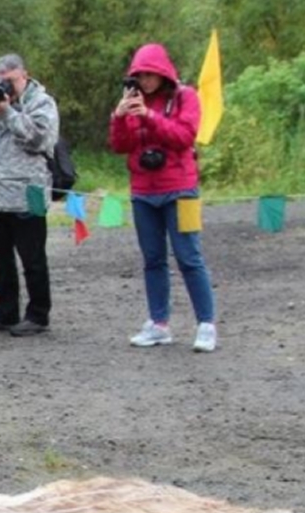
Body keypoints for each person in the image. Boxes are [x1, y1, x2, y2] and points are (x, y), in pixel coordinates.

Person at [111, 43, 218, 352]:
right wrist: (120, 117)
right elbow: (120, 145)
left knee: (189, 256)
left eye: (149, 75)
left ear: (162, 73)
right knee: (153, 259)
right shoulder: (133, 102)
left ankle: (206, 324)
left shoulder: (187, 97)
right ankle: (159, 324)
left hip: (182, 190)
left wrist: (149, 116)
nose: (144, 81)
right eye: (139, 76)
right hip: (144, 193)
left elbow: (184, 136)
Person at [0, 54, 58, 337]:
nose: (5, 87)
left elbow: (39, 140)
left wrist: (8, 111)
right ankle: (5, 312)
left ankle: (38, 315)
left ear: (25, 75)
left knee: (32, 258)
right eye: (0, 81)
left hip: (29, 192)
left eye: (10, 80)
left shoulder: (41, 103)